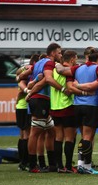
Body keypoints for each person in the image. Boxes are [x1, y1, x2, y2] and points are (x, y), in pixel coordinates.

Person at [18, 43, 65, 173]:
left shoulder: (37, 63)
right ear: (53, 53)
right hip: (40, 100)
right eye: (59, 53)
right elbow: (48, 80)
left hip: (40, 99)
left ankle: (52, 164)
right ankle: (33, 165)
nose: (60, 55)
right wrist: (62, 89)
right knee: (35, 133)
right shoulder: (49, 63)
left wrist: (29, 88)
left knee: (51, 132)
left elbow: (21, 77)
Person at [50, 50, 82, 173]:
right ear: (73, 59)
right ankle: (68, 166)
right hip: (67, 106)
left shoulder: (55, 70)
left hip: (55, 106)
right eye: (76, 58)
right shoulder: (69, 71)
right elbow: (72, 87)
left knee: (58, 137)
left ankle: (59, 166)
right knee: (69, 137)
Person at [15, 54, 38, 171]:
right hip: (25, 105)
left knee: (22, 134)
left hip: (20, 107)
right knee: (27, 134)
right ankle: (26, 161)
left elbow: (18, 80)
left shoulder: (22, 70)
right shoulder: (29, 71)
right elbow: (21, 91)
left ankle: (22, 162)